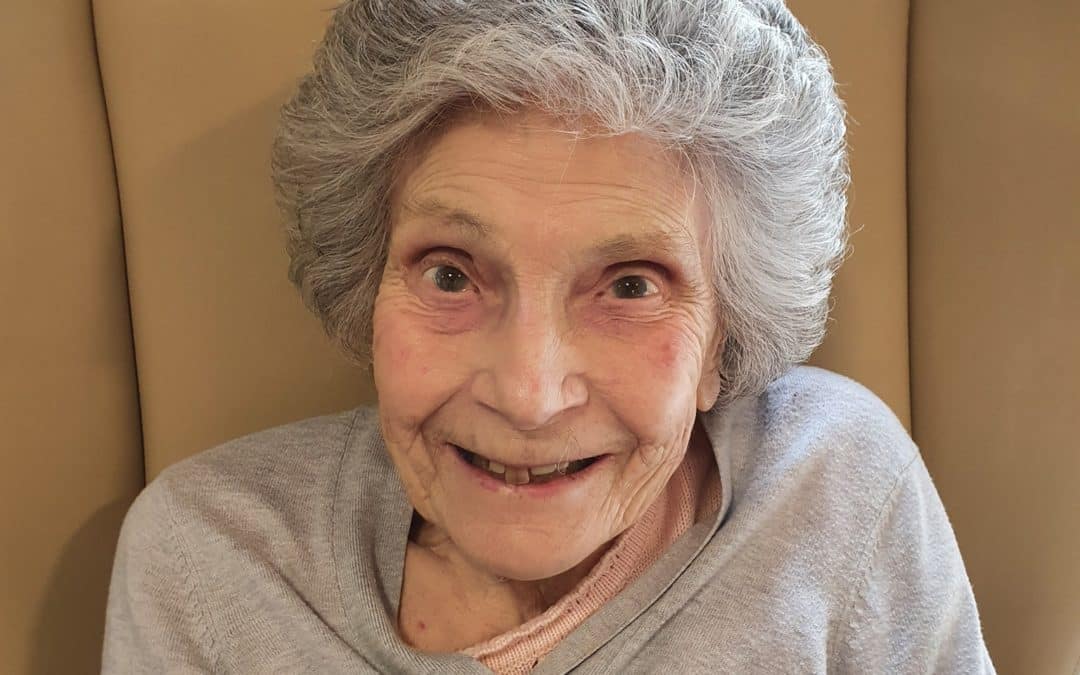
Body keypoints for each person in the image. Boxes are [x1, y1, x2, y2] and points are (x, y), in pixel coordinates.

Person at [102, 1, 996, 672]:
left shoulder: (834, 488)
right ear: (364, 286)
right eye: (450, 272)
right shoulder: (210, 562)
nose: (529, 395)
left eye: (632, 285)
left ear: (722, 337)